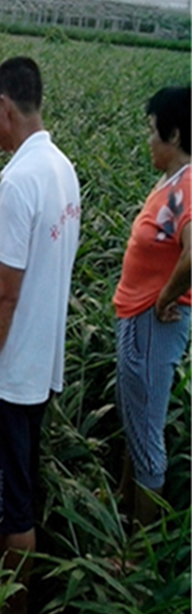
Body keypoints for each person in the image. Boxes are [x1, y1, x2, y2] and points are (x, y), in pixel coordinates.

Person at [0, 57, 81, 614]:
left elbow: (4, 294)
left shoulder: (19, 180)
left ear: (6, 107)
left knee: (15, 510)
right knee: (12, 491)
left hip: (9, 376)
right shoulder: (62, 170)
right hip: (40, 367)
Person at [113, 85, 191, 530]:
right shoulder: (174, 182)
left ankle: (138, 555)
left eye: (153, 132)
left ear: (175, 134)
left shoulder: (188, 186)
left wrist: (163, 300)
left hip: (151, 323)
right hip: (138, 319)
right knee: (135, 421)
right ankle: (123, 514)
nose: (149, 141)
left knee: (146, 438)